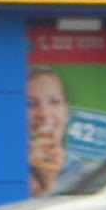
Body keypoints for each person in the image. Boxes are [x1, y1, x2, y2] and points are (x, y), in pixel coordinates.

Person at [27, 67, 81, 195]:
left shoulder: (84, 173)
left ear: (66, 111)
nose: (44, 114)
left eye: (54, 102)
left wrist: (48, 182)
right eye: (31, 104)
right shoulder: (8, 171)